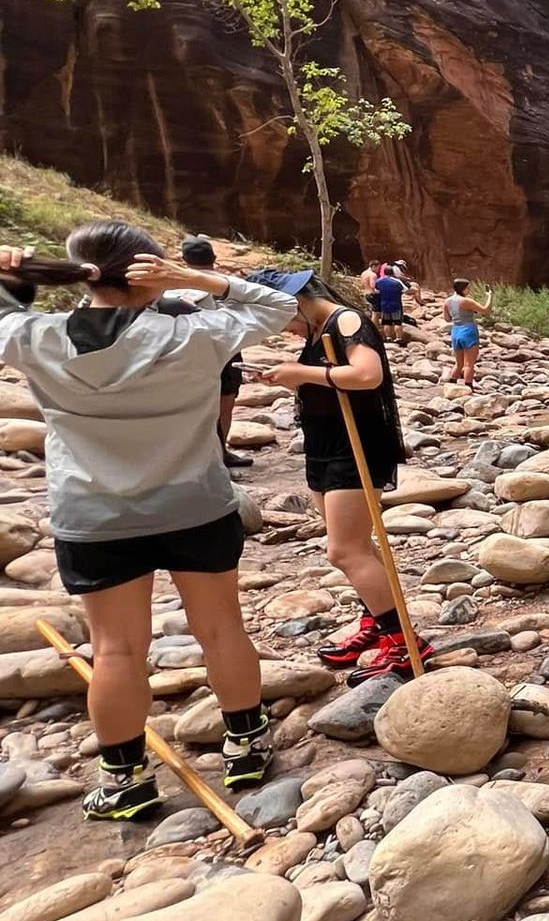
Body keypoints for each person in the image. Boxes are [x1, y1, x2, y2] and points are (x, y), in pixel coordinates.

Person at [0, 226, 298, 819]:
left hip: (94, 516)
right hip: (195, 506)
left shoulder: (34, 337)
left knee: (115, 652)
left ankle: (123, 781)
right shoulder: (197, 334)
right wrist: (195, 278)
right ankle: (246, 746)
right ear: (149, 271)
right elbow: (281, 305)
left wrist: (13, 276)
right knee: (221, 631)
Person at [246, 268, 434, 687]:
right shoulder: (316, 331)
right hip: (325, 445)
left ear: (295, 301)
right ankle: (378, 618)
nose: (282, 327)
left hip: (355, 446)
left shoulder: (346, 321)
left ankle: (404, 641)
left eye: (278, 315)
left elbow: (368, 375)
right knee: (356, 546)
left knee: (343, 551)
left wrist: (303, 374)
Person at [171, 236, 253, 469]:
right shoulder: (229, 284)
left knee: (197, 405)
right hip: (227, 348)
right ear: (214, 258)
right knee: (226, 402)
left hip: (189, 351)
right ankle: (221, 453)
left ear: (183, 259)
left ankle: (200, 458)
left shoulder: (172, 286)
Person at [444, 277, 493, 386]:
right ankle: (468, 387)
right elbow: (486, 310)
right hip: (468, 331)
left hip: (455, 331)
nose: (469, 290)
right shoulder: (466, 301)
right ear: (463, 289)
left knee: (459, 363)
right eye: (467, 288)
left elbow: (447, 319)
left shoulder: (447, 301)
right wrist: (490, 296)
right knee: (469, 364)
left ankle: (452, 384)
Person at [371, 264, 407, 343]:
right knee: (397, 322)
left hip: (384, 304)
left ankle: (388, 338)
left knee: (387, 322)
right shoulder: (397, 281)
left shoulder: (379, 281)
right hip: (396, 304)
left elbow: (376, 291)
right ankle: (399, 338)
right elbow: (405, 290)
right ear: (392, 272)